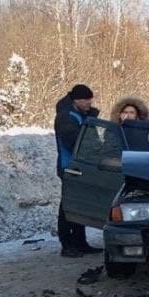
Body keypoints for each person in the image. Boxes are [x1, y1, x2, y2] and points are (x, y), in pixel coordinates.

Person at [53, 83, 103, 257]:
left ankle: (80, 242)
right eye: (86, 100)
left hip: (80, 166)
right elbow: (75, 142)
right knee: (68, 206)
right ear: (77, 100)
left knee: (79, 205)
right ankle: (67, 244)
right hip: (70, 167)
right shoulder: (66, 117)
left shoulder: (79, 114)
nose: (90, 102)